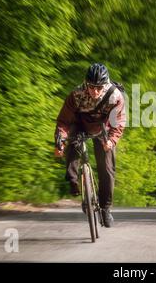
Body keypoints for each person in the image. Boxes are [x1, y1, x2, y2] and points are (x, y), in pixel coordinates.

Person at [54, 63, 126, 227]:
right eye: (92, 87)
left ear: (105, 84)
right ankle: (74, 181)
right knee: (72, 142)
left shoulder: (115, 96)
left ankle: (105, 209)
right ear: (86, 83)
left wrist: (112, 140)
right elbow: (64, 121)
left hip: (104, 129)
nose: (95, 91)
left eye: (99, 87)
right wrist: (60, 140)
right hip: (81, 125)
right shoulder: (76, 95)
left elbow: (119, 122)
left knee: (107, 168)